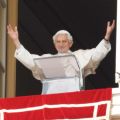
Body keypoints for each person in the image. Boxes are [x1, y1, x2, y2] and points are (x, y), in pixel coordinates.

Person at [7, 20, 115, 94]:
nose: (61, 44)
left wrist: (106, 37)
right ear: (54, 44)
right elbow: (31, 62)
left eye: (64, 41)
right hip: (51, 99)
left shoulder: (79, 55)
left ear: (70, 43)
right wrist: (16, 41)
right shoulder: (48, 58)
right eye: (58, 42)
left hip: (72, 99)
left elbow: (96, 56)